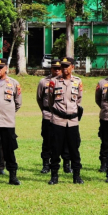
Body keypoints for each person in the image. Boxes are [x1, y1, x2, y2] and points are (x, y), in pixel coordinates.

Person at [47, 57, 84, 185]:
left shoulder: (78, 82)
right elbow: (50, 101)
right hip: (58, 120)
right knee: (55, 149)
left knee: (74, 149)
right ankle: (54, 176)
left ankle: (77, 176)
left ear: (72, 67)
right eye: (63, 66)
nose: (64, 68)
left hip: (73, 121)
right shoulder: (53, 82)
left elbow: (78, 99)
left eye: (67, 66)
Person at [37, 58, 71, 174]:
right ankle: (46, 164)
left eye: (59, 68)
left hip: (63, 116)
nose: (57, 71)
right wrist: (45, 110)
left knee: (66, 141)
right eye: (54, 68)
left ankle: (67, 164)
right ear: (51, 68)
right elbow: (39, 98)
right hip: (48, 115)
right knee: (47, 140)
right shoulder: (43, 82)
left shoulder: (67, 81)